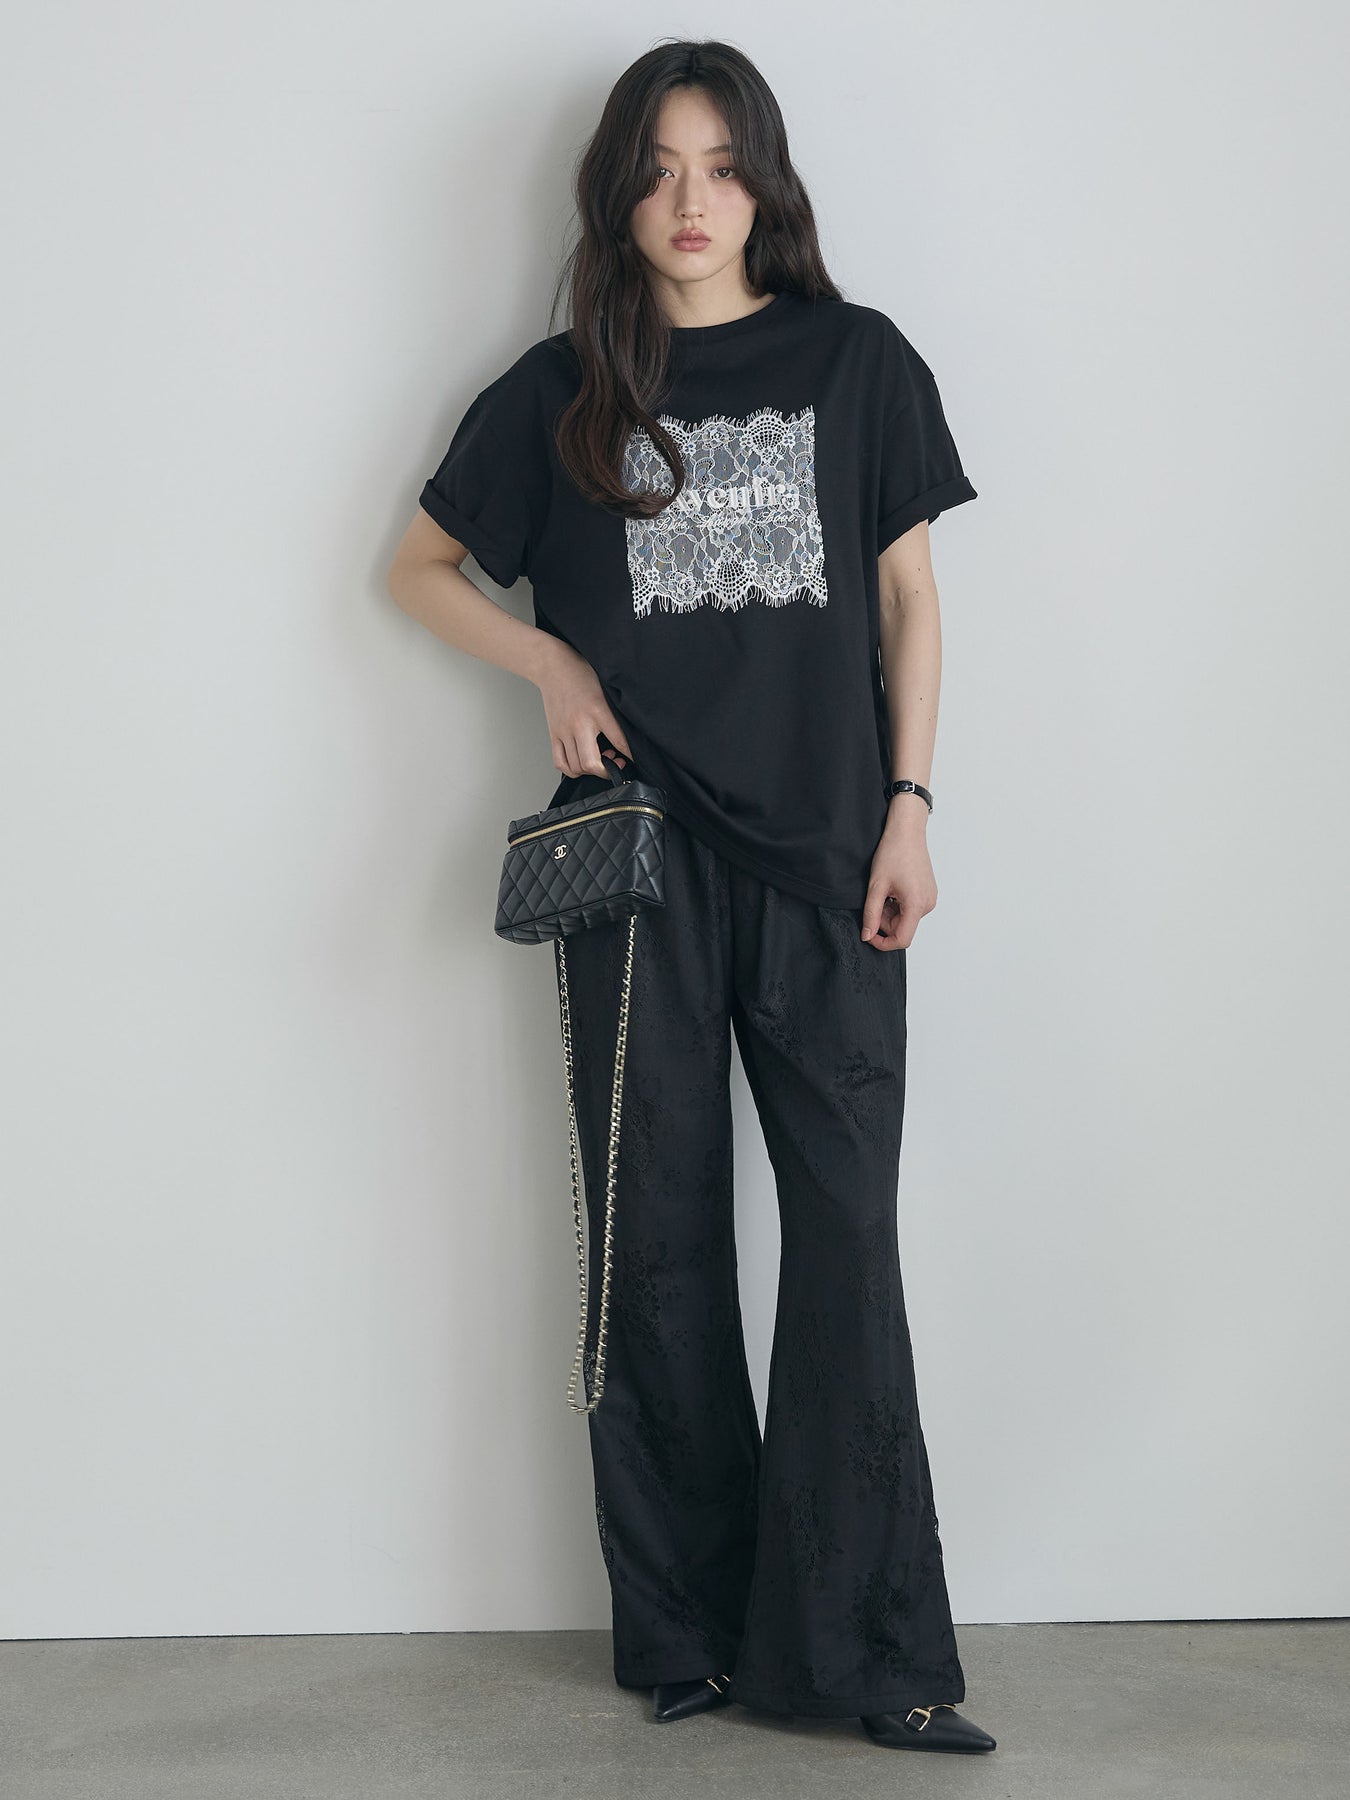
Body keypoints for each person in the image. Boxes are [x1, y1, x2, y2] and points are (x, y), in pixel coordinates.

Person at [386, 38, 995, 1757]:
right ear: (617, 194)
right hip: (639, 863)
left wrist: (909, 807)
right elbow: (416, 567)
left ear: (765, 186)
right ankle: (684, 1633)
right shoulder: (562, 389)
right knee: (648, 1245)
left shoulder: (857, 364)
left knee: (846, 1245)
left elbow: (909, 603)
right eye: (656, 169)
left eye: (720, 166)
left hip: (829, 865)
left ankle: (869, 1655)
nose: (688, 201)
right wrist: (546, 658)